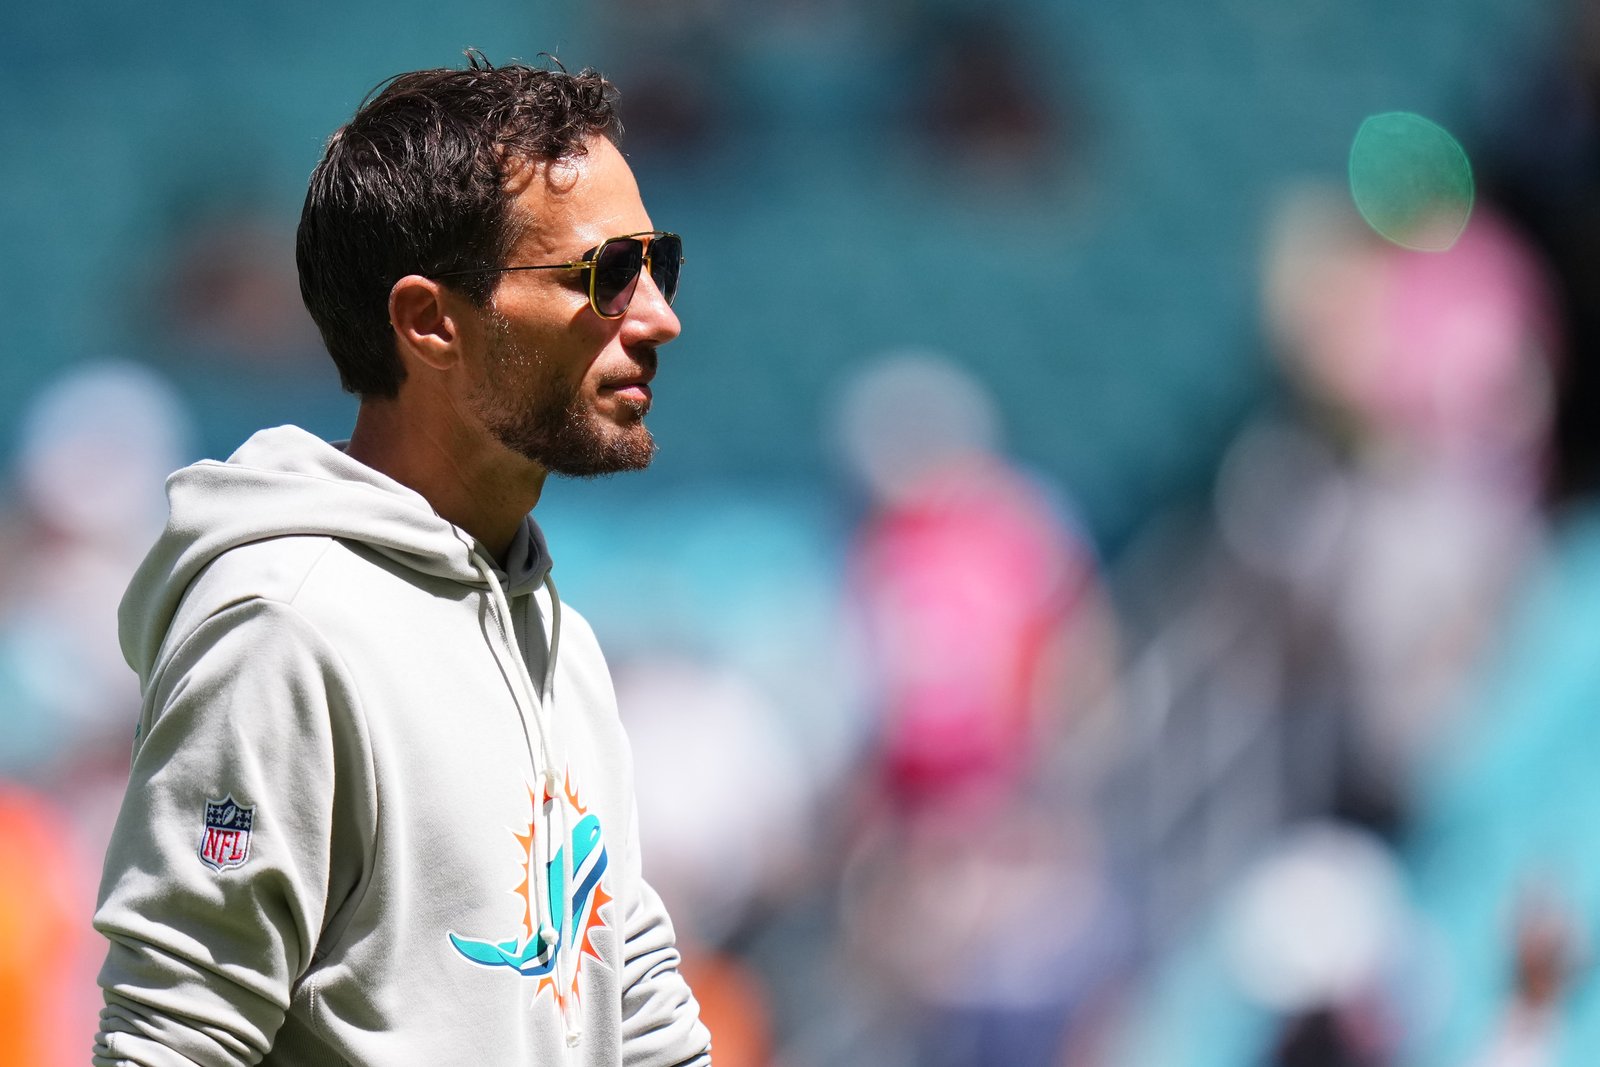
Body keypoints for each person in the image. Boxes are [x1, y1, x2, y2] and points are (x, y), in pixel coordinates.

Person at [91, 55, 712, 1066]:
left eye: (658, 264)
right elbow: (172, 1041)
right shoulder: (285, 629)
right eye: (605, 274)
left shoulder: (558, 634)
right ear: (430, 323)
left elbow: (633, 1005)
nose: (658, 318)